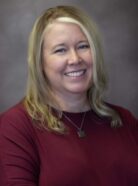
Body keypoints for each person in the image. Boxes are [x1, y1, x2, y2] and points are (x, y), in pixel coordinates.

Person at [0, 5, 138, 186]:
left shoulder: (124, 120)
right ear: (40, 62)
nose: (75, 59)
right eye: (60, 50)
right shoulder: (15, 126)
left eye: (83, 46)